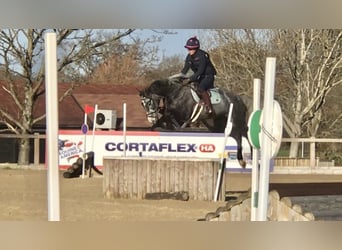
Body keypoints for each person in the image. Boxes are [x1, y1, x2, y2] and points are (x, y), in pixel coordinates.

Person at [180, 36, 217, 114]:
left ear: (196, 48)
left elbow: (200, 71)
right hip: (200, 76)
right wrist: (180, 77)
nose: (189, 50)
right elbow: (185, 69)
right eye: (188, 48)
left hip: (208, 76)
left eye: (191, 49)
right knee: (191, 86)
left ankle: (209, 108)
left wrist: (189, 79)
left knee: (201, 88)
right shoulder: (189, 57)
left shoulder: (202, 56)